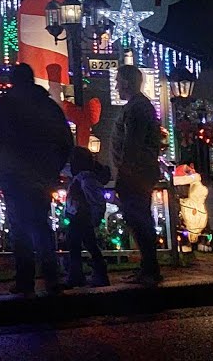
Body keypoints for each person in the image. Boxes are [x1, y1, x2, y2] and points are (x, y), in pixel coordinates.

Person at [0, 62, 73, 296]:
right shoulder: (48, 106)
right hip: (41, 175)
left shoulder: (3, 106)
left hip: (13, 174)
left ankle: (25, 280)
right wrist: (53, 168)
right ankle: (51, 278)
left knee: (19, 227)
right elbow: (65, 141)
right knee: (41, 225)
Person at [112, 65, 164, 285]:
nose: (116, 86)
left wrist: (123, 175)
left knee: (139, 220)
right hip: (138, 174)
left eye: (118, 81)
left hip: (135, 176)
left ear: (127, 82)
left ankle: (150, 269)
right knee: (139, 220)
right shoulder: (139, 106)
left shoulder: (136, 108)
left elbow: (132, 146)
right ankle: (147, 267)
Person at [64, 146, 111, 288]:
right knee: (86, 244)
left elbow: (96, 199)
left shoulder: (85, 179)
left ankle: (79, 275)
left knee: (78, 245)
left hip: (80, 217)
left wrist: (95, 216)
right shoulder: (86, 177)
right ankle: (91, 273)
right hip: (80, 216)